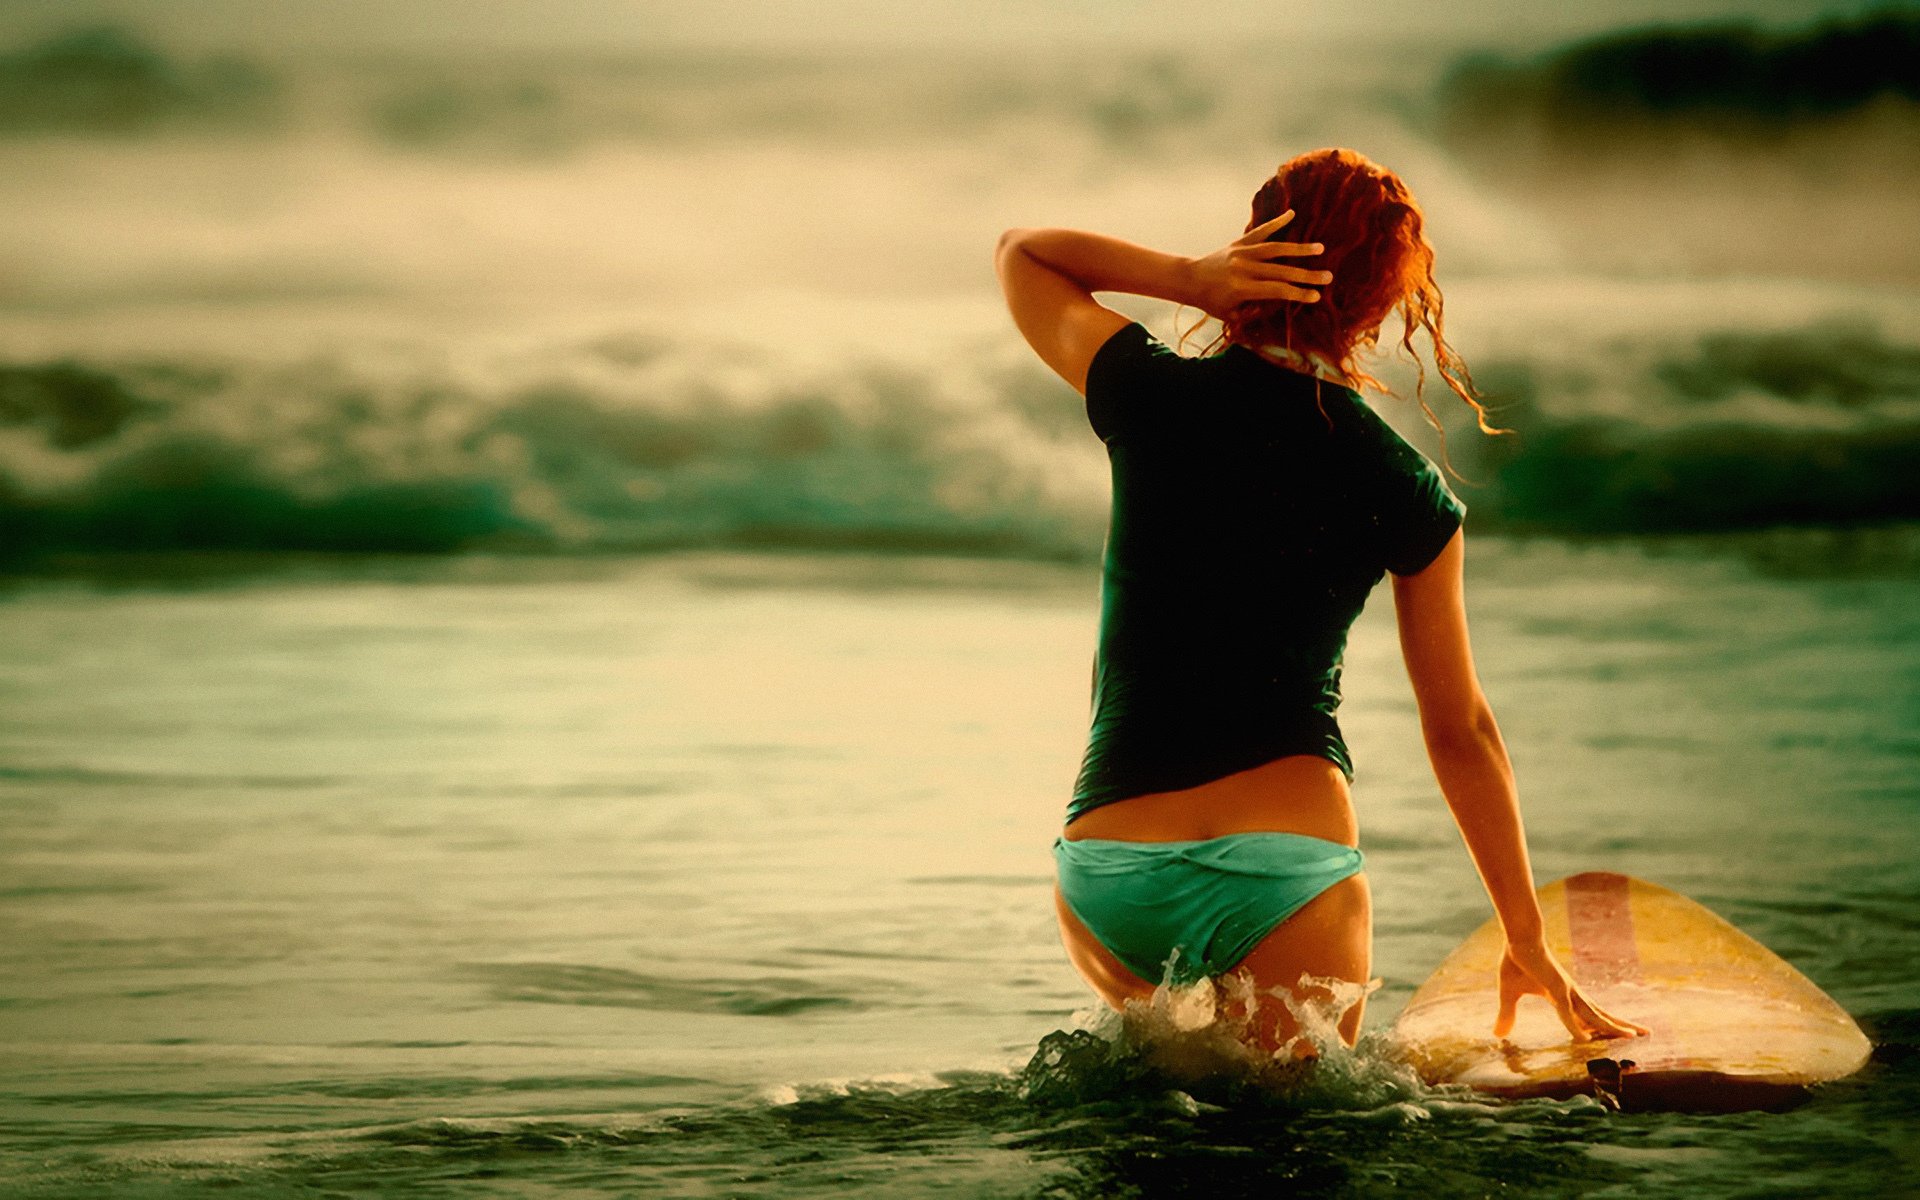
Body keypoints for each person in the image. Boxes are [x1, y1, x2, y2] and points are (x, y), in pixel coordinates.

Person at [994, 147, 1647, 1055]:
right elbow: (1460, 730)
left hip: (1111, 871)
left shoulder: (1147, 392)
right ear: (1385, 301)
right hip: (1287, 874)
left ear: (1256, 245)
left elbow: (1024, 252)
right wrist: (1525, 937)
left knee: (1155, 1114)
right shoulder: (1403, 486)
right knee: (1305, 1125)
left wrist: (1190, 279)